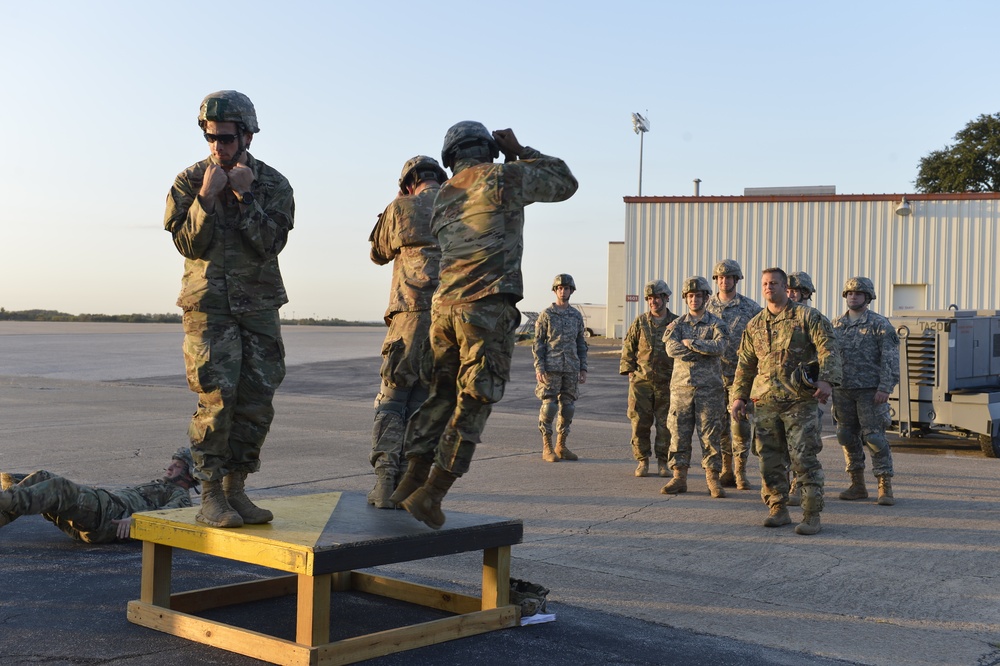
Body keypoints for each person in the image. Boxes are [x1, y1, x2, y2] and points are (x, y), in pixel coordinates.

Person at [390, 121, 578, 529]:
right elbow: (564, 181)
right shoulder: (500, 176)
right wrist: (521, 149)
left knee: (439, 395)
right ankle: (432, 494)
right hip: (484, 308)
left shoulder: (443, 196)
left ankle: (410, 481)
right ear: (486, 150)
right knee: (475, 398)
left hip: (444, 311)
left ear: (450, 158)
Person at [164, 90, 294, 528]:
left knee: (256, 402)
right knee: (217, 402)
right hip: (209, 308)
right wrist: (204, 198)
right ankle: (210, 497)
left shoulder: (272, 184)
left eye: (226, 139)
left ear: (247, 137)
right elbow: (187, 243)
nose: (218, 147)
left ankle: (237, 489)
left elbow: (271, 243)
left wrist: (245, 197)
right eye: (211, 138)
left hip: (257, 305)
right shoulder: (188, 182)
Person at [730, 268, 842, 535]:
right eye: (765, 284)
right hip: (765, 401)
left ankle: (811, 514)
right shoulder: (754, 324)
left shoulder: (807, 317)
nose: (769, 287)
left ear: (785, 286)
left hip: (799, 401)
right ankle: (777, 508)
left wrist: (826, 380)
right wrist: (739, 396)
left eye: (774, 283)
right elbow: (745, 364)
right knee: (769, 459)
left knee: (803, 457)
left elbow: (828, 348)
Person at [366, 156, 446, 508]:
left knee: (393, 400)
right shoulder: (459, 211)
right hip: (448, 325)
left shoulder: (402, 207)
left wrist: (399, 201)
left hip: (409, 319)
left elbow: (377, 253)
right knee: (421, 405)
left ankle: (385, 484)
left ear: (409, 183)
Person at [0, 449, 197, 543]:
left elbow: (170, 516)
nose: (170, 467)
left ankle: (5, 500)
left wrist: (137, 520)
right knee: (39, 477)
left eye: (178, 465)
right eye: (172, 463)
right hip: (101, 511)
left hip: (108, 515)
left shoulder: (181, 496)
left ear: (190, 474)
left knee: (59, 488)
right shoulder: (162, 486)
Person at [832, 277, 900, 506]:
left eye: (858, 293)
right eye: (849, 293)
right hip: (842, 390)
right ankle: (857, 484)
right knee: (846, 436)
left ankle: (884, 485)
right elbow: (829, 357)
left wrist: (885, 387)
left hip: (870, 391)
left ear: (868, 297)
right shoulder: (836, 324)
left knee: (874, 437)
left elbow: (890, 359)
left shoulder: (880, 324)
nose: (853, 296)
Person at [661, 276, 730, 497]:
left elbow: (720, 347)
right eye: (690, 296)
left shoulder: (716, 323)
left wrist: (692, 343)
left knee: (710, 436)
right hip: (681, 390)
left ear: (705, 297)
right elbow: (671, 350)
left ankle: (713, 480)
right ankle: (679, 478)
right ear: (685, 298)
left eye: (698, 295)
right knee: (679, 435)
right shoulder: (677, 325)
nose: (694, 299)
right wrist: (703, 349)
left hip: (709, 390)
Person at [705, 259, 762, 490]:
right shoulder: (705, 307)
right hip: (712, 376)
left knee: (740, 426)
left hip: (741, 377)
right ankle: (725, 469)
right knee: (717, 426)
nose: (724, 281)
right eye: (720, 277)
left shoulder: (750, 308)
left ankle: (740, 471)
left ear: (736, 280)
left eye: (729, 277)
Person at [620, 280, 678, 478]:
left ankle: (663, 462)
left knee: (666, 425)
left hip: (668, 382)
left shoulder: (676, 323)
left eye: (657, 297)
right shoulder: (640, 322)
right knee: (639, 423)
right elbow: (629, 346)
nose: (653, 301)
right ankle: (642, 460)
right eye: (650, 298)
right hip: (641, 382)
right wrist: (629, 370)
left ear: (666, 298)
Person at [532, 274, 589, 462]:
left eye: (566, 288)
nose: (563, 291)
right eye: (559, 288)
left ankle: (561, 446)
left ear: (571, 291)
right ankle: (547, 447)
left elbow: (581, 342)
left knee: (568, 407)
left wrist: (583, 368)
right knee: (549, 406)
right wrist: (539, 367)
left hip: (571, 367)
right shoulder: (547, 315)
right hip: (551, 367)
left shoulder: (576, 316)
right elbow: (538, 343)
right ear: (555, 291)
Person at [785, 270, 816, 506]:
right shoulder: (776, 317)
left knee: (803, 443)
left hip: (804, 391)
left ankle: (799, 485)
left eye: (794, 291)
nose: (790, 295)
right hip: (778, 392)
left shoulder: (813, 318)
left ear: (805, 293)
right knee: (779, 444)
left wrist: (822, 382)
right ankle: (782, 485)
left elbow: (827, 355)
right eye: (787, 290)